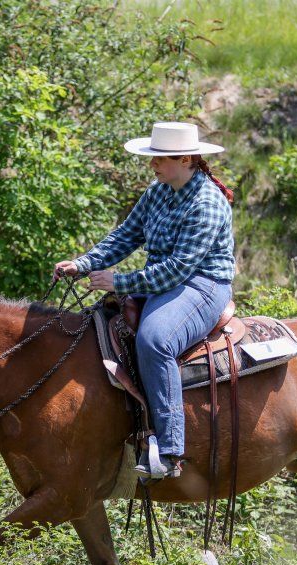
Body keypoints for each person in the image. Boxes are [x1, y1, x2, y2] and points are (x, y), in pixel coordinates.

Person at [54, 121, 236, 479]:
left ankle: (169, 451)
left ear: (186, 160)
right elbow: (126, 235)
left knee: (155, 340)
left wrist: (118, 281)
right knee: (97, 325)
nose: (152, 165)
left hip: (202, 285)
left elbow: (179, 269)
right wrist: (83, 263)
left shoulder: (207, 203)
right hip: (163, 281)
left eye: (160, 158)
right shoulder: (158, 191)